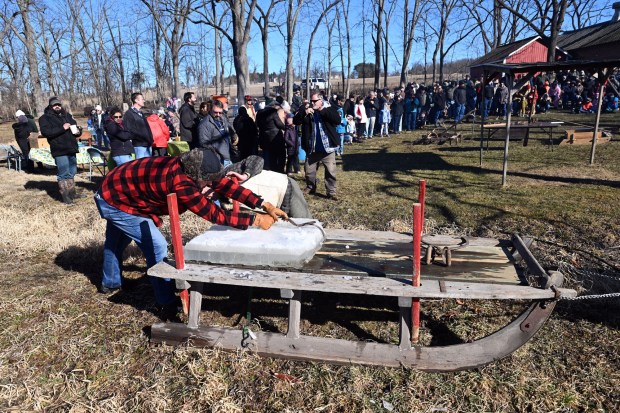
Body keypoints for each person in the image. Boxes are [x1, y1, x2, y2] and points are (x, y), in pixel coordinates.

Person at [94, 147, 288, 317]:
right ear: (195, 176)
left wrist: (263, 204)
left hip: (120, 189)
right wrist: (255, 219)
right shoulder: (181, 184)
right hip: (114, 198)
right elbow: (215, 214)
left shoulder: (194, 166)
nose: (210, 184)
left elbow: (225, 185)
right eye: (206, 181)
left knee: (117, 242)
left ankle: (110, 283)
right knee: (156, 245)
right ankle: (166, 303)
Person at [293, 92, 341, 201]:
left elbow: (337, 120)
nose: (312, 103)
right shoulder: (305, 109)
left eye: (314, 101)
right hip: (312, 148)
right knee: (309, 171)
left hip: (327, 148)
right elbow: (295, 121)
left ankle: (331, 192)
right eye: (311, 101)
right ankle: (310, 187)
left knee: (330, 171)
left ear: (321, 100)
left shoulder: (329, 109)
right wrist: (304, 113)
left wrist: (322, 110)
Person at [38, 96, 83, 204]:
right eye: (54, 105)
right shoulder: (45, 118)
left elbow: (75, 127)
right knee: (63, 173)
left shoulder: (67, 115)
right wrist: (63, 128)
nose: (57, 106)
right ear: (50, 106)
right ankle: (65, 196)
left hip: (71, 147)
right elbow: (46, 132)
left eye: (58, 104)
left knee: (72, 171)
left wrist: (78, 131)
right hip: (59, 149)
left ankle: (72, 193)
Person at [196, 99, 237, 167]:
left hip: (228, 157)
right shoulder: (204, 124)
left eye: (220, 112)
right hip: (217, 159)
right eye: (215, 112)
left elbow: (229, 127)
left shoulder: (223, 118)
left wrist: (233, 134)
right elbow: (204, 144)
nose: (218, 115)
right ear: (210, 110)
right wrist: (216, 155)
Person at [255, 102, 286, 173]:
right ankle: (280, 169)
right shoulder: (273, 113)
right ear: (274, 106)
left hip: (264, 136)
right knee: (281, 154)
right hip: (275, 136)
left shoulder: (259, 113)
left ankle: (270, 168)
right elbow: (279, 124)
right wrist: (286, 128)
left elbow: (256, 124)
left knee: (269, 153)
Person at [123, 92, 153, 158]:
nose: (144, 101)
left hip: (147, 144)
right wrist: (138, 138)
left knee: (149, 166)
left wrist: (150, 139)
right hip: (139, 146)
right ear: (136, 100)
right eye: (142, 99)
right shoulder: (129, 114)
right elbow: (128, 130)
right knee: (141, 166)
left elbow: (146, 128)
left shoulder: (140, 113)